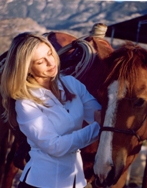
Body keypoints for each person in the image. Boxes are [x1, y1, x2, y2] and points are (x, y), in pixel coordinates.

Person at [1, 32, 101, 188]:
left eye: (50, 53)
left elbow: (99, 114)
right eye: (41, 61)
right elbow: (56, 146)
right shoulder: (26, 102)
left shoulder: (71, 83)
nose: (51, 62)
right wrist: (98, 128)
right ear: (27, 68)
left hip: (76, 181)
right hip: (41, 182)